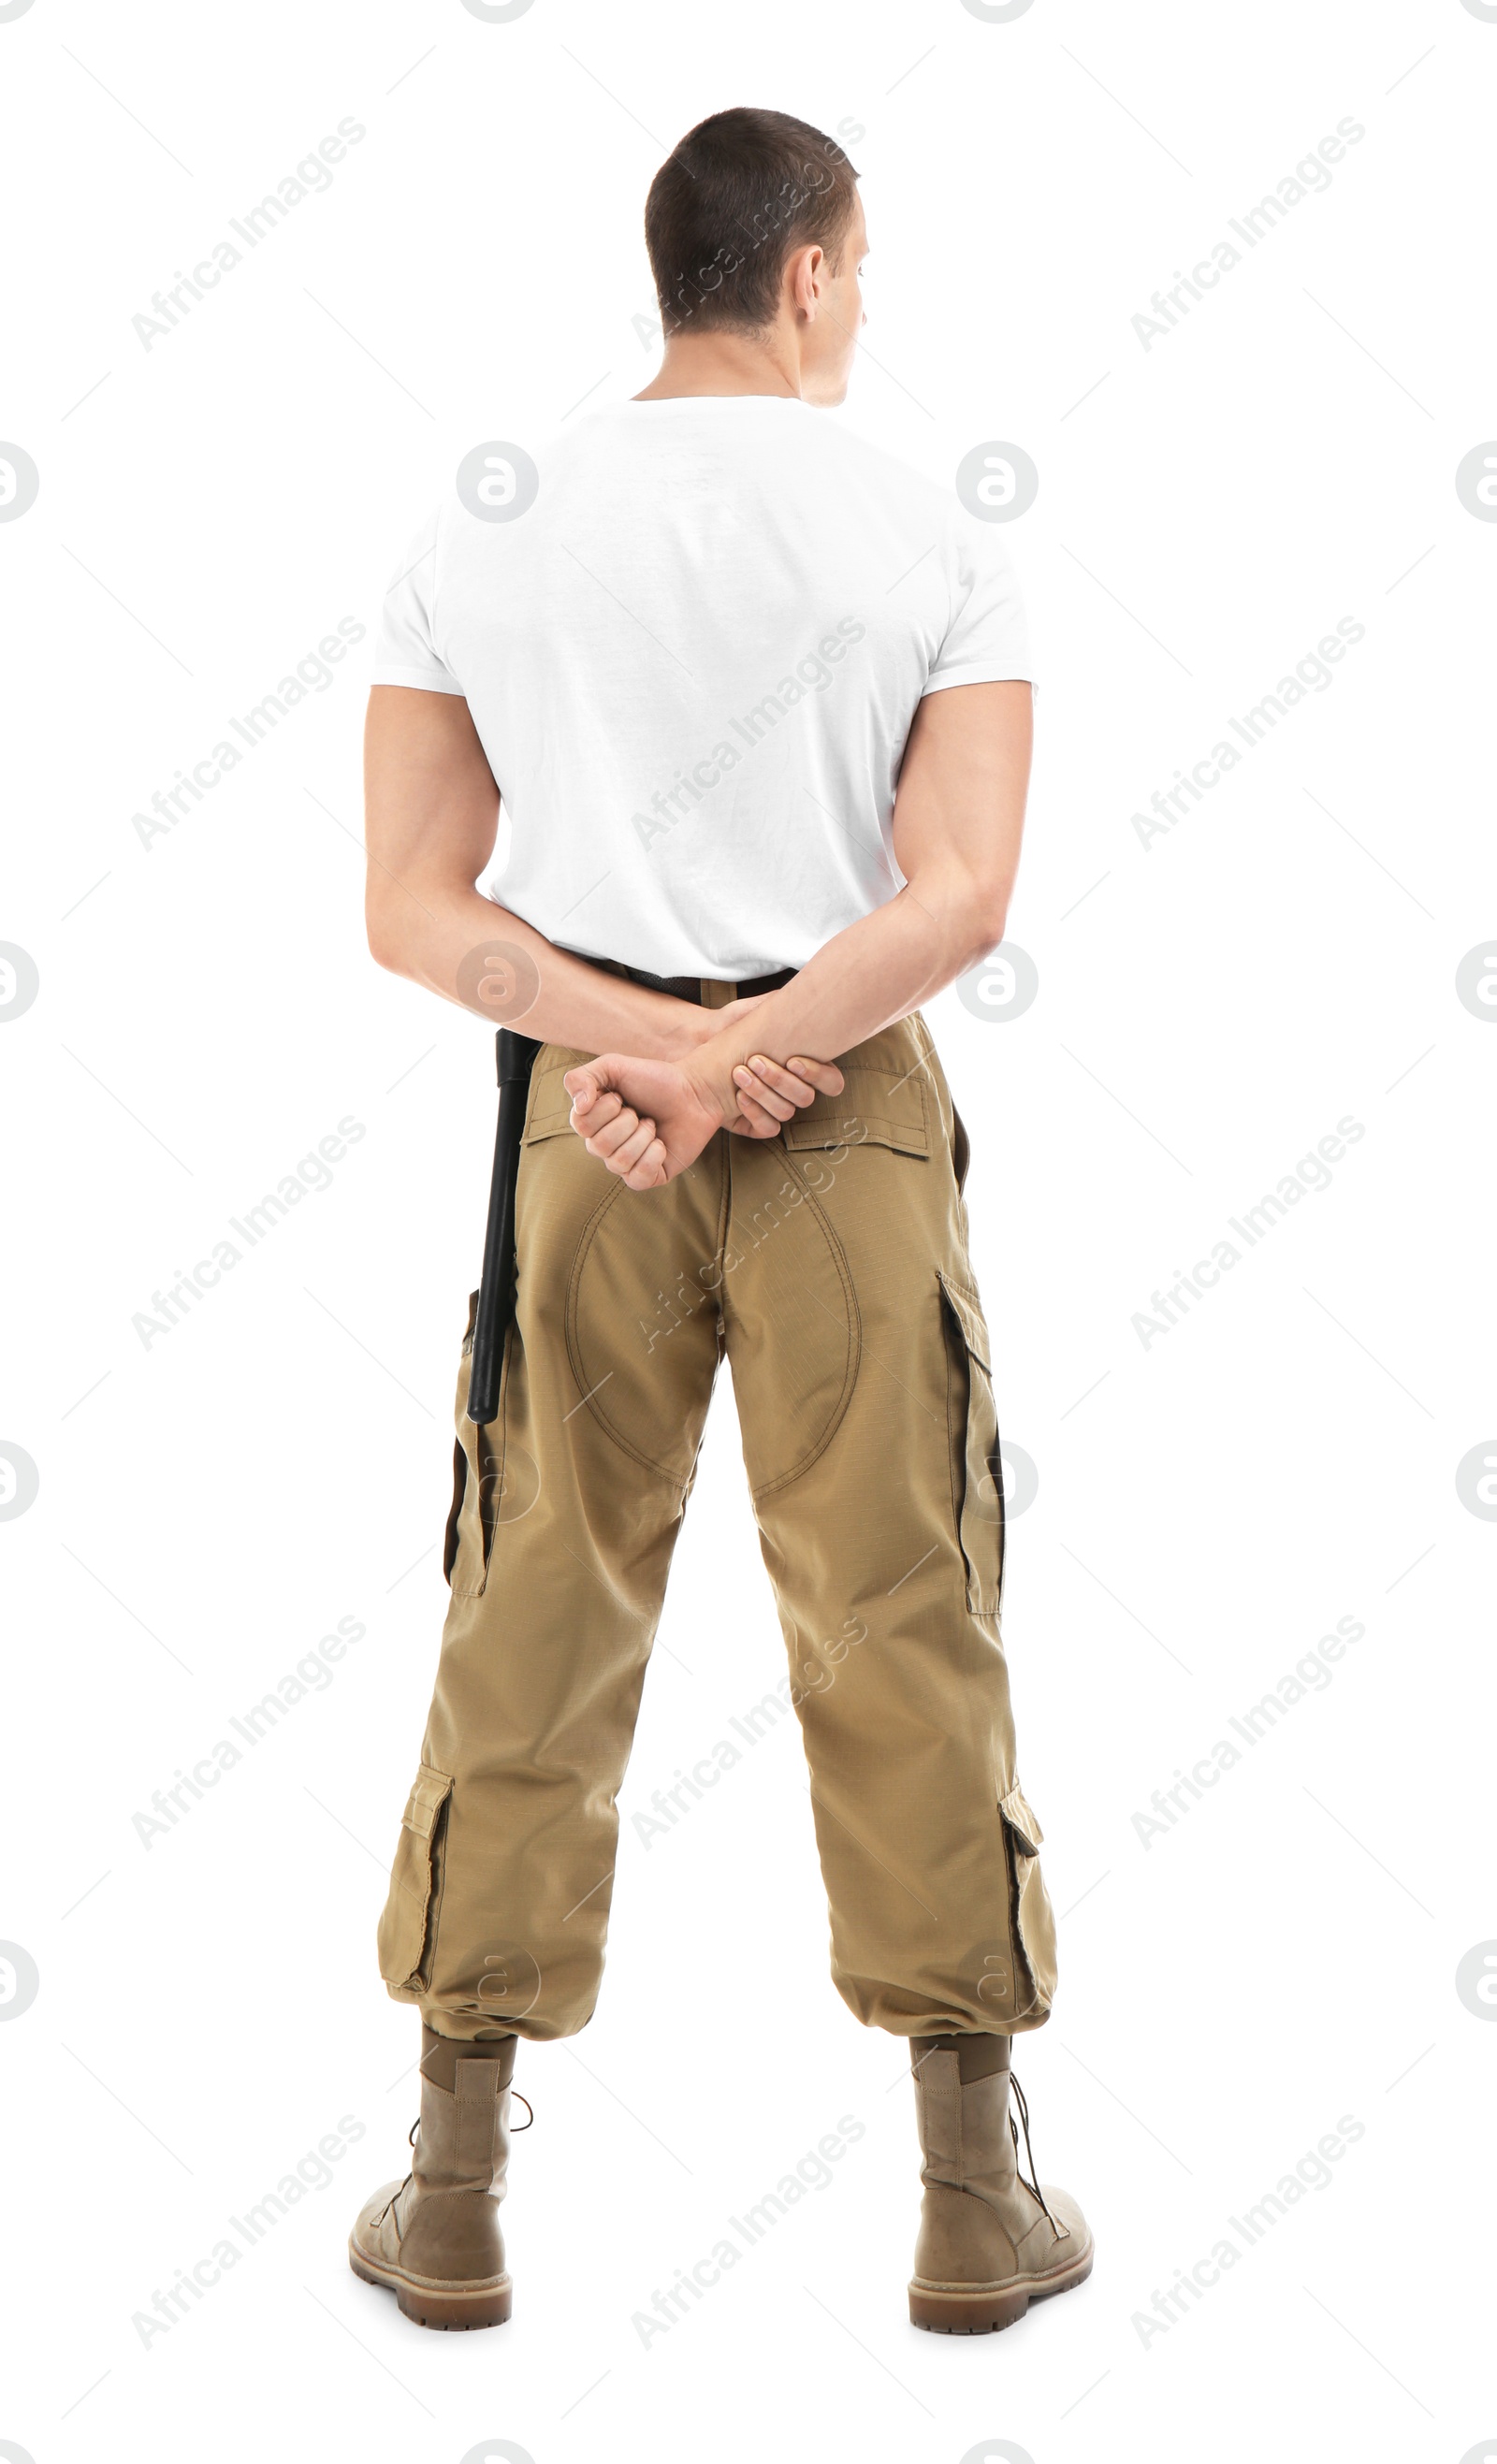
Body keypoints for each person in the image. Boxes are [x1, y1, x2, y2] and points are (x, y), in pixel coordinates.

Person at [348, 104, 1091, 2338]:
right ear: (800, 273)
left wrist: (648, 1052)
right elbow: (960, 895)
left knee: (535, 1598)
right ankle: (971, 2201)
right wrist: (752, 1044)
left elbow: (410, 906)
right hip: (838, 1109)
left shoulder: (480, 534)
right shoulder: (929, 533)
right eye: (857, 274)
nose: (861, 311)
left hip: (584, 1121)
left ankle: (452, 2190)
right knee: (898, 1600)